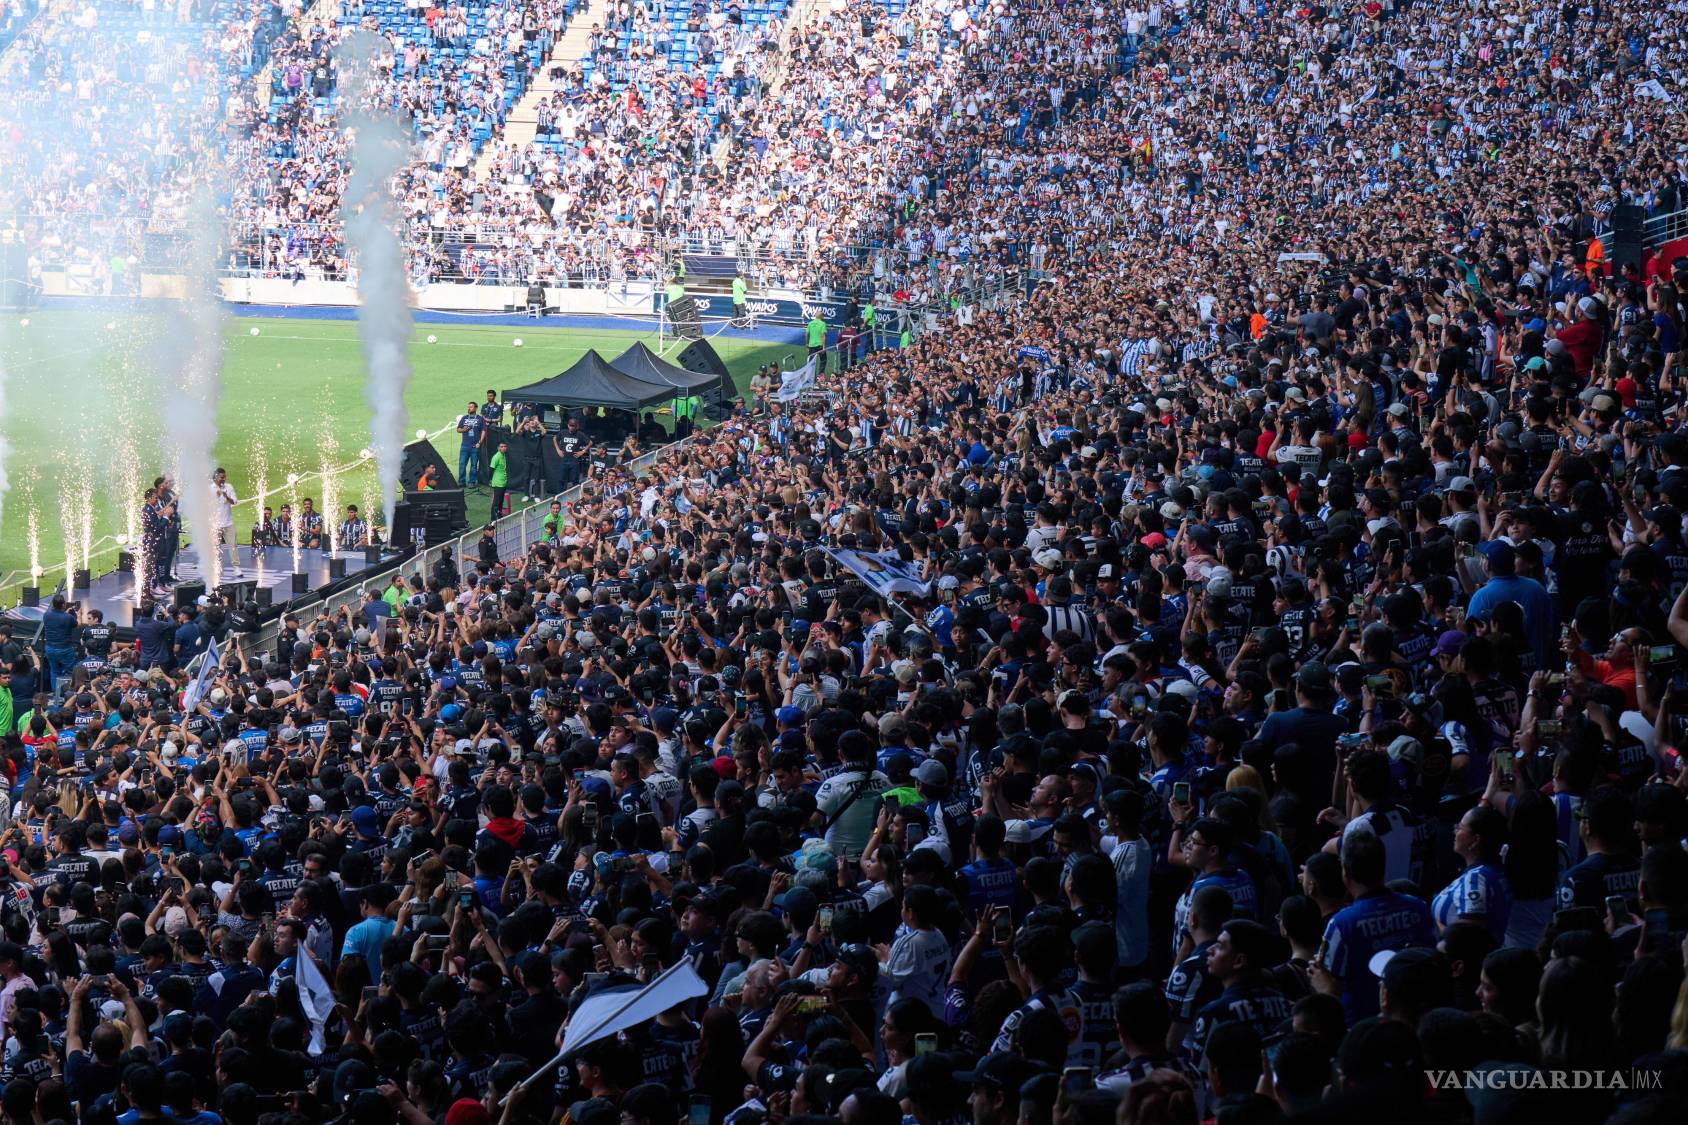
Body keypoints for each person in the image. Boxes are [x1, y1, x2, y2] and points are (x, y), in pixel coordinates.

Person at [211, 466, 241, 578]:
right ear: (215, 477)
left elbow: (234, 502)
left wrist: (226, 496)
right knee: (216, 547)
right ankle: (218, 567)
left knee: (233, 545)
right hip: (215, 524)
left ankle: (236, 567)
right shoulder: (210, 489)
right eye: (221, 477)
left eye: (224, 477)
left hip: (228, 523)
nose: (223, 479)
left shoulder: (229, 487)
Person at [456, 401, 484, 487]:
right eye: (468, 407)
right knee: (462, 464)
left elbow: (484, 431)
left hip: (475, 446)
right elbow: (458, 429)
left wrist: (480, 442)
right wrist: (464, 430)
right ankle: (461, 481)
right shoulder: (464, 418)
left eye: (471, 407)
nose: (469, 408)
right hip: (465, 446)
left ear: (475, 408)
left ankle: (471, 481)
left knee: (474, 465)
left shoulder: (480, 418)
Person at [488, 440, 509, 522]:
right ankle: (492, 520)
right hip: (498, 483)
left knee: (500, 501)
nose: (503, 448)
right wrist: (490, 480)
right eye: (501, 447)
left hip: (503, 482)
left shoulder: (503, 455)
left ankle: (499, 517)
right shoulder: (496, 457)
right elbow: (491, 469)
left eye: (505, 446)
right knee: (496, 503)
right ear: (498, 448)